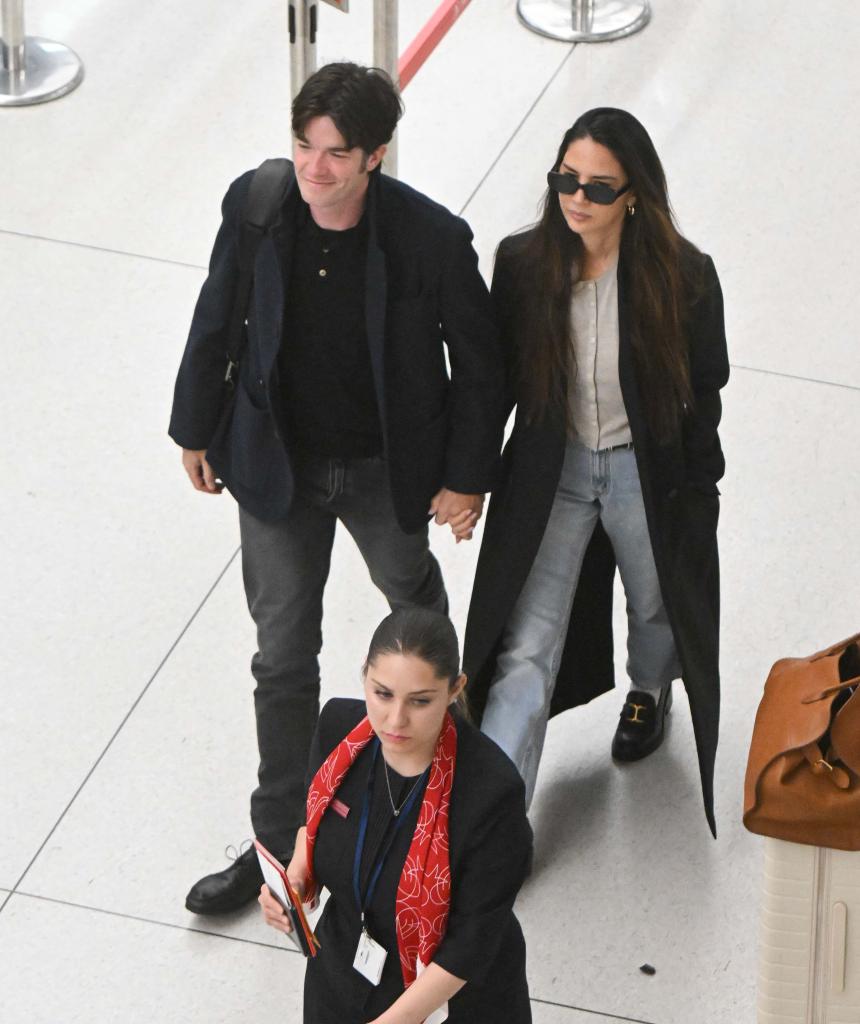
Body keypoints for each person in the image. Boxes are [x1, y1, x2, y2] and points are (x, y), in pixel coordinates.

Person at [169, 62, 504, 914]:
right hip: (275, 464)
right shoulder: (258, 205)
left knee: (420, 632)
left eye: (335, 153)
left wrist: (466, 479)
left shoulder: (430, 239)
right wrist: (196, 426)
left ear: (375, 156)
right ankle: (278, 843)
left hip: (381, 469)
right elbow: (218, 312)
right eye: (303, 147)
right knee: (281, 657)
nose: (314, 168)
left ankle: (449, 819)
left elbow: (482, 366)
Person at [463, 108, 729, 835]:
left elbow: (706, 383)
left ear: (634, 194)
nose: (576, 198)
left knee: (655, 603)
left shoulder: (683, 275)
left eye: (598, 188)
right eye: (565, 180)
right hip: (556, 472)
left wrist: (701, 484)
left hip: (646, 471)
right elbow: (496, 384)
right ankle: (492, 829)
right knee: (526, 643)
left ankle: (650, 690)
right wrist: (471, 478)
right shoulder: (524, 265)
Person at [259, 607, 532, 1024]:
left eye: (420, 701)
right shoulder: (338, 728)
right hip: (342, 972)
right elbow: (313, 827)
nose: (395, 719)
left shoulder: (491, 793)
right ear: (365, 674)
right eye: (382, 693)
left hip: (448, 998)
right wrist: (294, 882)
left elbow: (471, 943)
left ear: (455, 689)